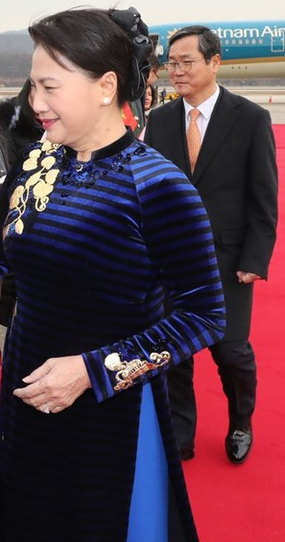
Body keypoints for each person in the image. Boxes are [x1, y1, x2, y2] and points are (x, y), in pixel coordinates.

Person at [0, 7, 226, 540]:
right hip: (27, 392)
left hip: (109, 409)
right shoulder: (38, 163)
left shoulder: (157, 186)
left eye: (49, 87)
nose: (33, 103)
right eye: (33, 86)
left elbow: (204, 317)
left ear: (106, 86)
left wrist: (92, 372)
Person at [145, 25, 278, 464]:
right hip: (169, 261)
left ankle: (241, 420)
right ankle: (181, 433)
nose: (177, 71)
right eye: (172, 63)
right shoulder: (160, 121)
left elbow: (263, 199)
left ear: (214, 62)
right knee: (174, 352)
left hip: (228, 260)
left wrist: (254, 259)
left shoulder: (249, 118)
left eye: (187, 62)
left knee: (231, 351)